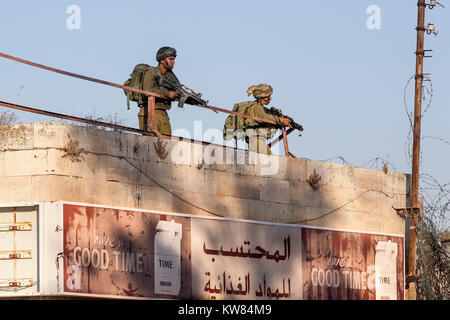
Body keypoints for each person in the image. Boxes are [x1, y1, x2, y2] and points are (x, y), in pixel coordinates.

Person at [138, 46, 180, 135]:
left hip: (163, 113)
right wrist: (168, 93)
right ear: (162, 60)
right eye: (170, 59)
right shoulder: (151, 71)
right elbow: (148, 89)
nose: (173, 62)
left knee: (167, 145)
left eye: (174, 59)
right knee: (149, 143)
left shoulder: (171, 77)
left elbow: (177, 90)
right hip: (148, 110)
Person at [242, 83, 291, 155]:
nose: (270, 98)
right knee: (271, 162)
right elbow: (263, 117)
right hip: (255, 140)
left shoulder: (259, 107)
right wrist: (281, 120)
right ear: (263, 97)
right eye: (269, 96)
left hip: (258, 141)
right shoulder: (255, 107)